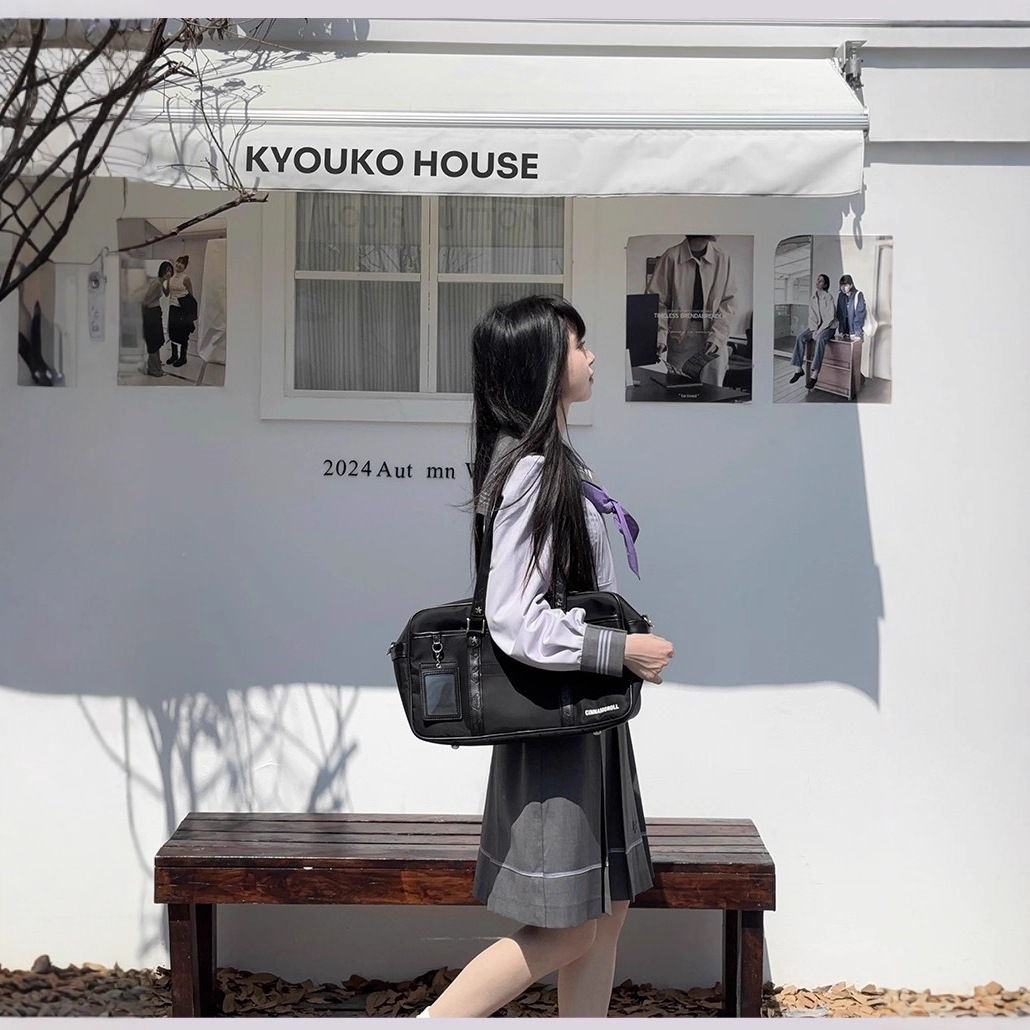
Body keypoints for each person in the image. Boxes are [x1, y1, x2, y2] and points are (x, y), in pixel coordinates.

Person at [420, 296, 675, 1019]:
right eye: (577, 345)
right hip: (558, 728)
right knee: (568, 928)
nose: (591, 356)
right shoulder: (532, 472)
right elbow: (514, 617)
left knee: (608, 912)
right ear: (541, 365)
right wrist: (620, 648)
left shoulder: (553, 462)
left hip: (587, 721)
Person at [645, 234, 736, 386]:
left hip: (714, 336)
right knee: (679, 390)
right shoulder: (671, 257)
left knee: (712, 394)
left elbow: (728, 303)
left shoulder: (723, 258)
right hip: (681, 338)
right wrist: (660, 335)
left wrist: (717, 337)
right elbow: (656, 301)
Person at [789, 274, 837, 390]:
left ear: (825, 285)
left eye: (821, 281)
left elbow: (830, 318)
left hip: (829, 327)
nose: (818, 282)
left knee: (820, 339)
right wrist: (814, 330)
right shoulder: (813, 298)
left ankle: (814, 375)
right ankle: (798, 369)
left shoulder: (828, 297)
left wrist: (818, 332)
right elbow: (812, 317)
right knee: (800, 337)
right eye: (817, 280)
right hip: (816, 327)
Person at [138, 261, 174, 378]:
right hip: (151, 314)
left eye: (170, 271)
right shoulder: (157, 283)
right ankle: (153, 368)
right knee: (154, 341)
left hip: (155, 312)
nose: (169, 273)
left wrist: (168, 280)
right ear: (162, 270)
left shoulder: (160, 282)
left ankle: (155, 365)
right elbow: (145, 300)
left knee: (156, 340)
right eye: (167, 270)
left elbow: (167, 293)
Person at [164, 254, 196, 368]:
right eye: (178, 262)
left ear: (185, 267)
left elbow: (191, 295)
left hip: (183, 309)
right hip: (173, 308)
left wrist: (190, 313)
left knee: (183, 333)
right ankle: (174, 355)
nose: (179, 264)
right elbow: (167, 293)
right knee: (172, 332)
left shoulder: (186, 278)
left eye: (182, 263)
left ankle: (183, 357)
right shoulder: (171, 277)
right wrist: (166, 280)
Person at [835, 274, 866, 346]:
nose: (843, 287)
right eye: (841, 285)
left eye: (845, 285)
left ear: (851, 285)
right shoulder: (841, 295)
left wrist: (857, 333)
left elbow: (860, 315)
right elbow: (839, 313)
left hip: (855, 330)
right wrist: (841, 330)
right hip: (844, 331)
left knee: (854, 350)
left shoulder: (858, 295)